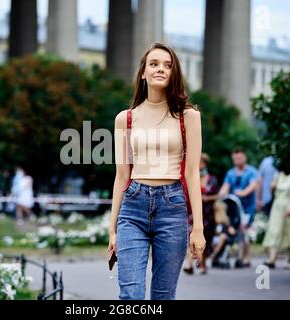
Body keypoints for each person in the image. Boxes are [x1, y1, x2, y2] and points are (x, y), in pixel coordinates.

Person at [109, 42, 205, 300]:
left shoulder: (188, 117)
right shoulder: (125, 119)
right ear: (143, 73)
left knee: (163, 296)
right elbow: (121, 176)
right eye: (154, 64)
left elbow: (192, 174)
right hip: (133, 208)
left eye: (168, 65)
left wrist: (198, 228)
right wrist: (112, 229)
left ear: (174, 74)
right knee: (130, 294)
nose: (160, 69)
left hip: (172, 208)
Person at [218, 148, 258, 268]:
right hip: (234, 207)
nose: (236, 160)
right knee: (236, 230)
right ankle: (240, 256)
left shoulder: (251, 172)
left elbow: (253, 185)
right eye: (234, 159)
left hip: (247, 207)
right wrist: (221, 195)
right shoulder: (230, 173)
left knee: (245, 231)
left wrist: (243, 192)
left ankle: (245, 257)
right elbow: (225, 187)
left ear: (244, 158)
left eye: (239, 158)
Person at [183, 153, 218, 275]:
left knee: (205, 239)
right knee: (190, 237)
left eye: (201, 162)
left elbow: (218, 195)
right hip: (191, 212)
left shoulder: (212, 179)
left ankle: (201, 264)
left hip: (207, 213)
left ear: (205, 164)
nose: (199, 164)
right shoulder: (191, 177)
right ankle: (189, 264)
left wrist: (207, 199)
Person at [262, 171, 290, 269]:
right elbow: (272, 192)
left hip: (289, 207)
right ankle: (272, 259)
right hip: (277, 207)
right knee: (274, 230)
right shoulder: (278, 175)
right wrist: (273, 186)